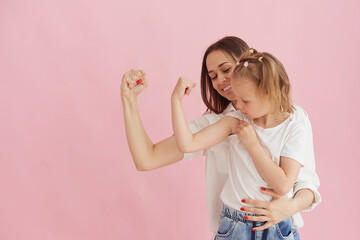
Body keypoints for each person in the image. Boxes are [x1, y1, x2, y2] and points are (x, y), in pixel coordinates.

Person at [120, 37, 320, 238]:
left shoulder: (294, 119)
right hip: (235, 228)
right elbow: (147, 159)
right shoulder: (220, 123)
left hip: (279, 227)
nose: (221, 80)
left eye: (226, 70)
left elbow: (306, 183)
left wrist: (289, 207)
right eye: (213, 76)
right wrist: (130, 99)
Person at [171, 48, 308, 239]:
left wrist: (252, 145)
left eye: (245, 100)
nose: (238, 105)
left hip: (276, 225)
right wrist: (176, 101)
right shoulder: (235, 121)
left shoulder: (294, 129)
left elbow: (283, 185)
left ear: (269, 93)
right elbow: (187, 145)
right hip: (235, 225)